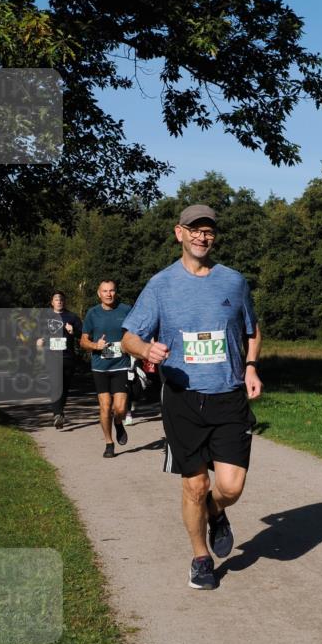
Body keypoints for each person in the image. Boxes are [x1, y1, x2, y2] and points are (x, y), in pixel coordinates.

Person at [122, 204, 263, 590]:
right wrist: (143, 350)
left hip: (229, 395)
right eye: (194, 229)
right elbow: (129, 335)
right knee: (194, 485)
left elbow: (252, 330)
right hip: (183, 398)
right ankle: (200, 557)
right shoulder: (161, 285)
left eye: (209, 231)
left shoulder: (233, 281)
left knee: (230, 486)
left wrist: (250, 367)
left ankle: (215, 512)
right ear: (179, 233)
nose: (203, 236)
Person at [80, 280, 132, 458]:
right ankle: (109, 443)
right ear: (98, 293)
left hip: (121, 365)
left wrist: (130, 344)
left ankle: (118, 422)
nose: (108, 294)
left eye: (111, 291)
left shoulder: (126, 310)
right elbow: (83, 341)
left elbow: (136, 333)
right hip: (100, 367)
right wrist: (96, 345)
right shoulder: (92, 313)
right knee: (105, 406)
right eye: (105, 291)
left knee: (120, 408)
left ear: (116, 292)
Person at [36, 292, 82, 429]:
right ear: (52, 302)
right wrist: (38, 339)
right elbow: (37, 332)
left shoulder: (72, 317)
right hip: (52, 356)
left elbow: (83, 334)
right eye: (57, 299)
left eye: (62, 299)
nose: (59, 301)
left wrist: (73, 331)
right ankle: (57, 414)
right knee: (56, 384)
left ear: (65, 302)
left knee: (65, 387)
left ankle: (60, 412)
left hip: (68, 356)